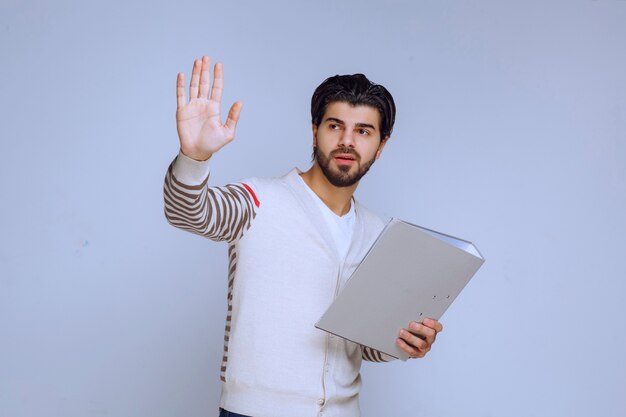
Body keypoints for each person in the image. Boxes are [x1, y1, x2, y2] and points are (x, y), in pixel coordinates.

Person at [163, 56, 444, 417]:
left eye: (363, 131)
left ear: (381, 144)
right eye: (335, 126)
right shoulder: (257, 200)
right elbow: (188, 212)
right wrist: (193, 157)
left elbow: (364, 344)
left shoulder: (378, 234)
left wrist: (406, 341)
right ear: (315, 131)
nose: (347, 141)